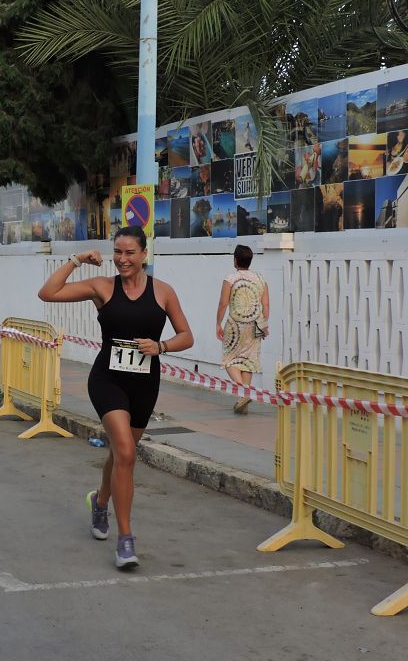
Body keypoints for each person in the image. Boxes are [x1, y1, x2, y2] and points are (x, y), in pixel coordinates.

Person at [38, 227, 193, 568]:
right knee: (124, 451)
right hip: (107, 379)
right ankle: (125, 539)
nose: (123, 259)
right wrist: (77, 259)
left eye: (130, 253)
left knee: (122, 454)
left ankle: (100, 500)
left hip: (144, 383)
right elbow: (47, 293)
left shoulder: (163, 292)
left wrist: (161, 346)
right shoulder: (103, 287)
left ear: (143, 255)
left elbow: (186, 336)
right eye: (117, 252)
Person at [215, 244, 269, 413]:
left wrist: (218, 323)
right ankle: (243, 400)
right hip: (255, 323)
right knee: (248, 360)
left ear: (235, 260)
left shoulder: (230, 278)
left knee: (229, 359)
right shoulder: (260, 279)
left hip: (236, 324)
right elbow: (265, 304)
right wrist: (264, 324)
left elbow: (224, 303)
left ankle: (244, 394)